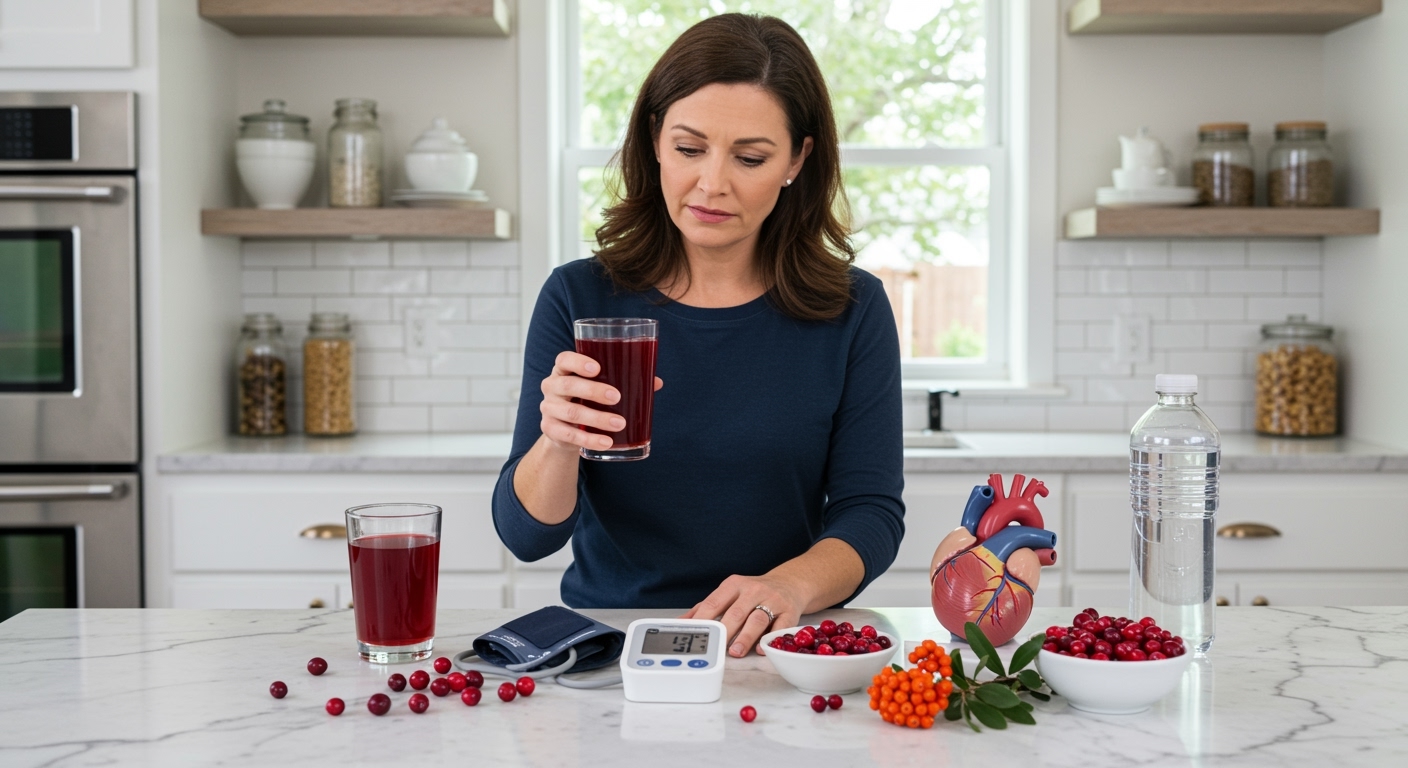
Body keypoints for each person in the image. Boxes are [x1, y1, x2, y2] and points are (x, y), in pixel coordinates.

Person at [493, 13, 903, 659]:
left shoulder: (853, 308)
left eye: (750, 157)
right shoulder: (581, 297)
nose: (712, 183)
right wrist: (558, 439)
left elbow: (872, 514)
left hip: (780, 644)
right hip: (613, 647)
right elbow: (527, 537)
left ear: (798, 159)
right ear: (655, 139)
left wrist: (787, 587)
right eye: (689, 149)